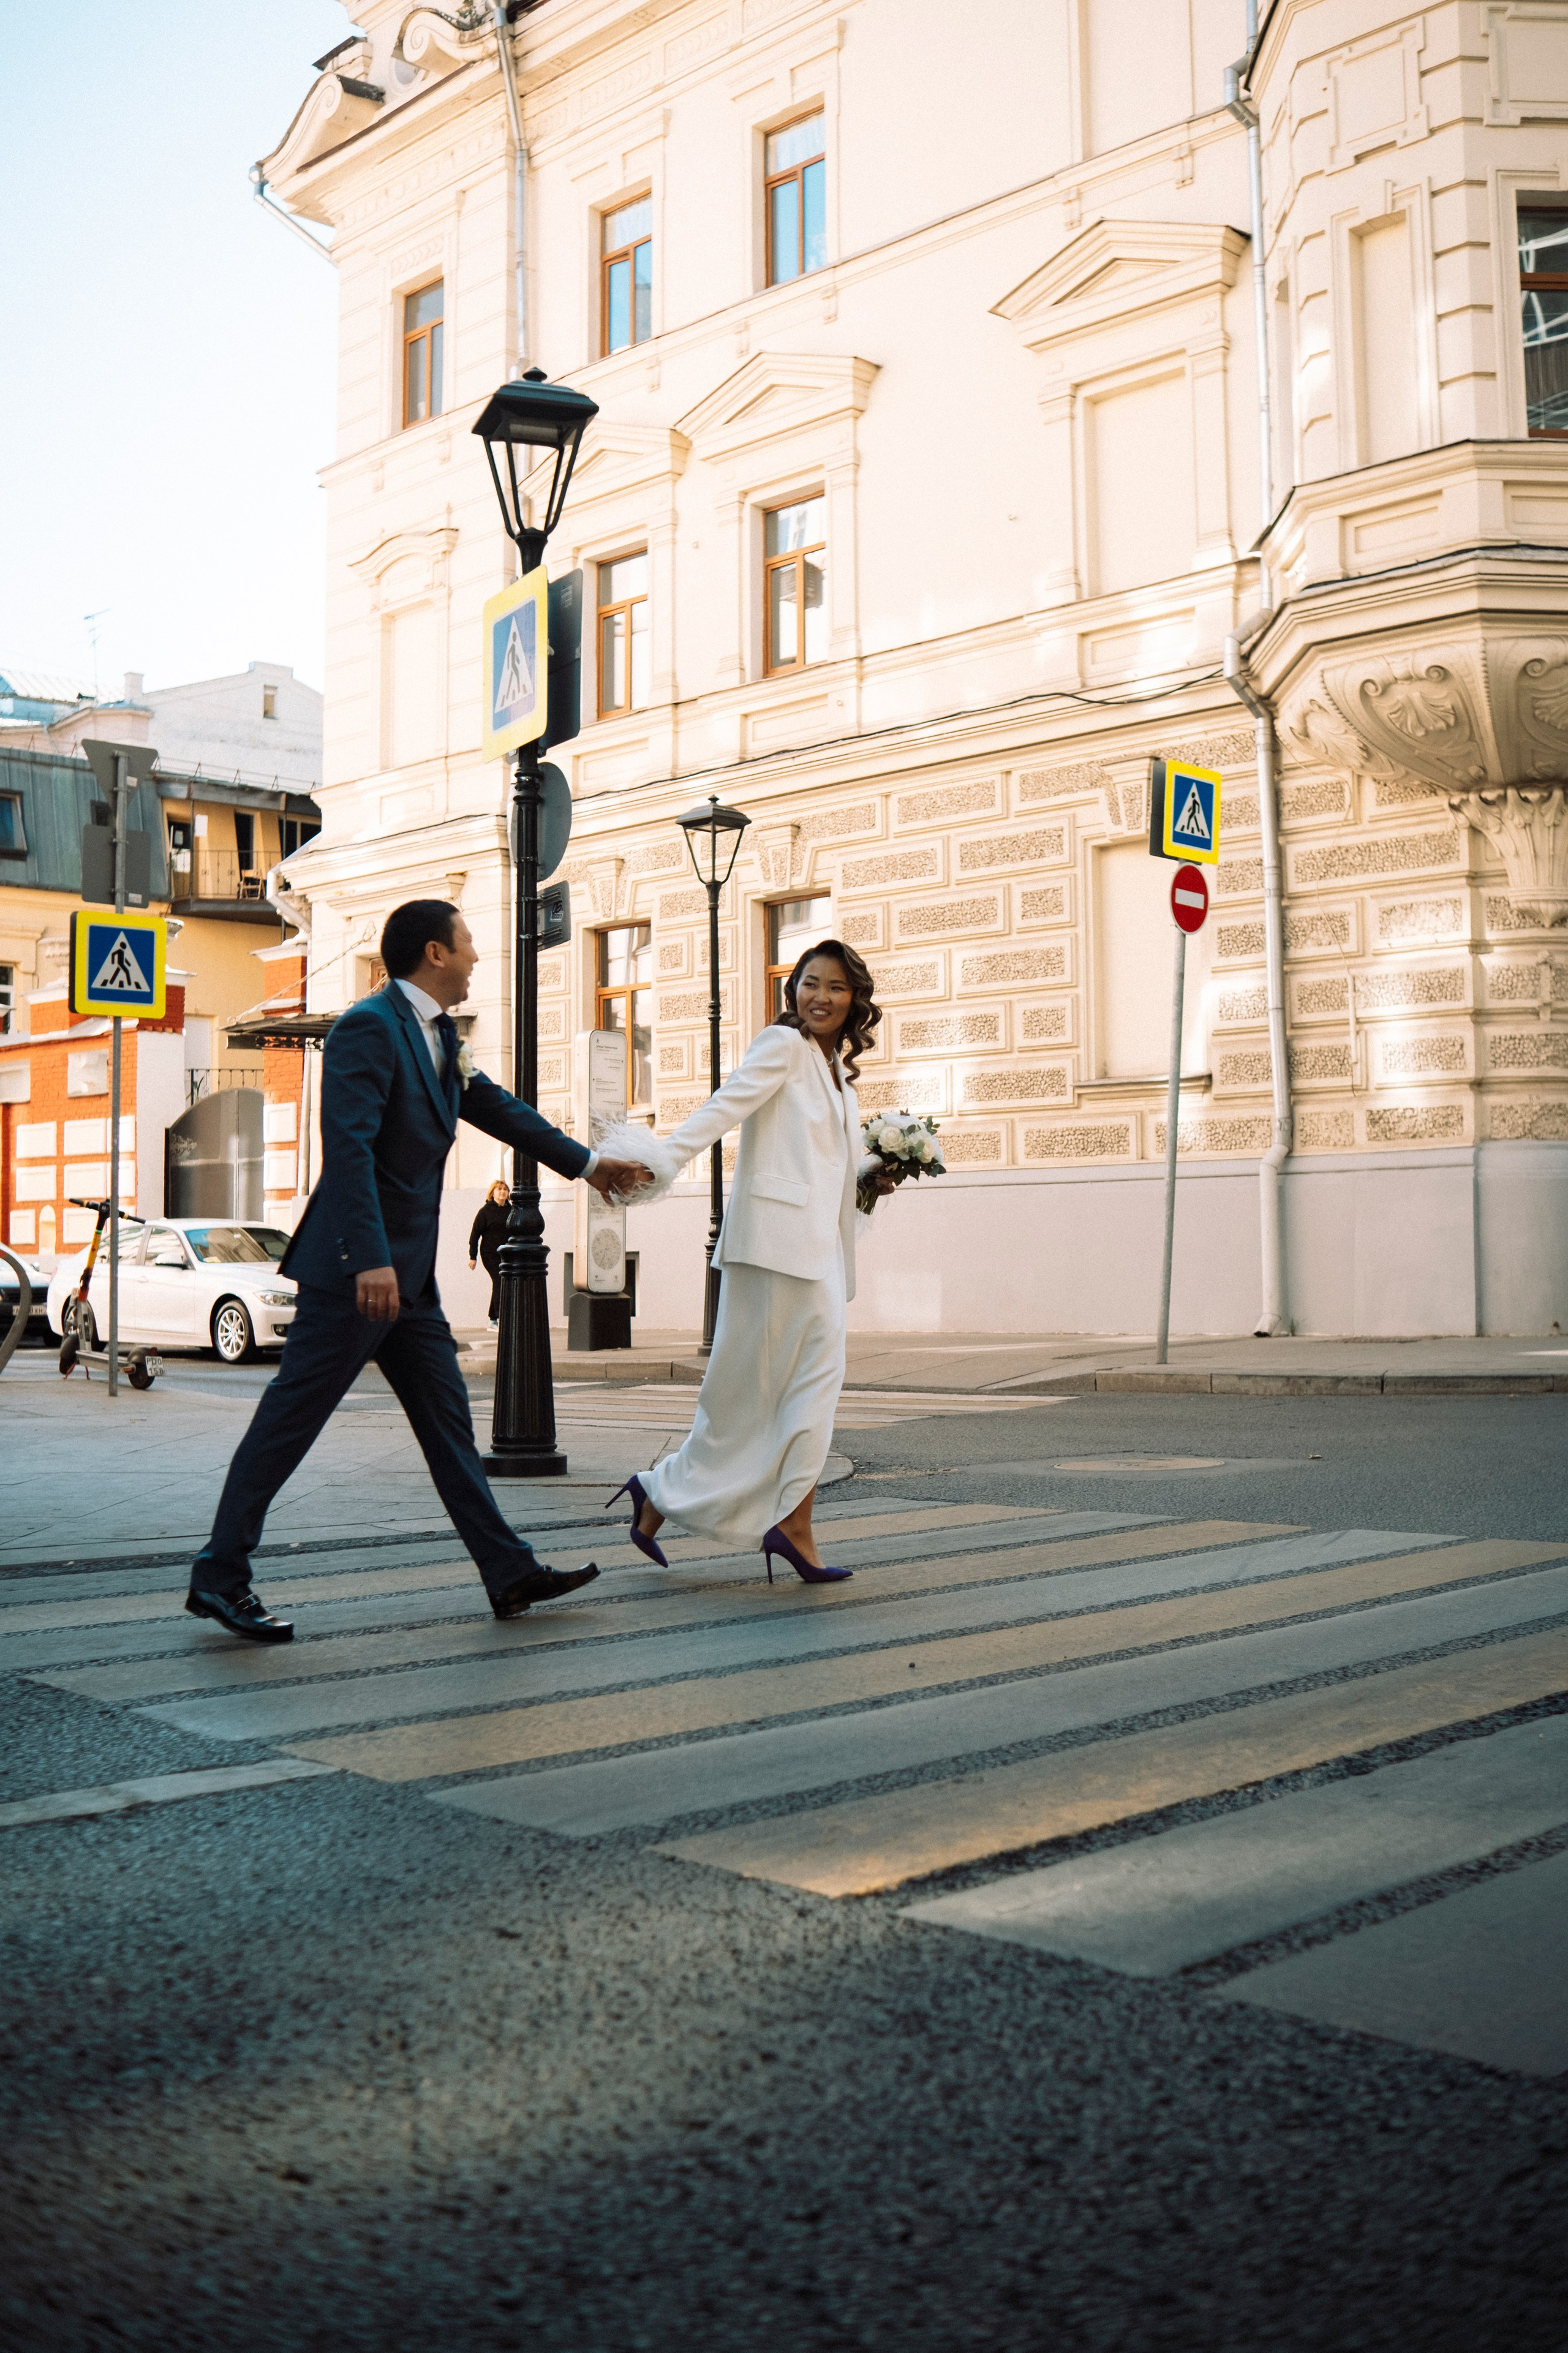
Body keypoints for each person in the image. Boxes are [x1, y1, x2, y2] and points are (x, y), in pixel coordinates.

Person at [185, 900, 652, 1644]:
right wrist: (369, 1258)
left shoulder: (438, 1034)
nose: (476, 958)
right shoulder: (368, 1027)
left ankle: (507, 1570)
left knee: (448, 1428)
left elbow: (498, 1109)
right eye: (468, 944)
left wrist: (590, 1165)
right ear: (435, 952)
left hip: (408, 1280)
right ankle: (219, 1575)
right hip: (356, 1275)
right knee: (289, 1423)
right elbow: (348, 1148)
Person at [601, 940, 895, 1584]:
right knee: (745, 1396)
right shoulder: (782, 1045)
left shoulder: (837, 1074)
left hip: (817, 1251)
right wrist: (660, 1159)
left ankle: (723, 1505)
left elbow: (829, 1167)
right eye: (810, 982)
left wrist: (874, 1177)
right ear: (793, 989)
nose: (820, 996)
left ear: (855, 1000)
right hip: (770, 1248)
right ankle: (728, 1507)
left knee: (808, 1388)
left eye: (836, 987)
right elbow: (723, 1106)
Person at [468, 1179, 511, 1325]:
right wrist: (473, 1257)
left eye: (505, 1189)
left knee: (502, 1282)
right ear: (493, 1193)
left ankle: (493, 1320)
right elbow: (475, 1234)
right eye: (499, 1189)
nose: (502, 1192)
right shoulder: (485, 1212)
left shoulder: (512, 1211)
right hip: (490, 1254)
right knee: (500, 1281)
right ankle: (501, 1319)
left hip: (507, 1254)